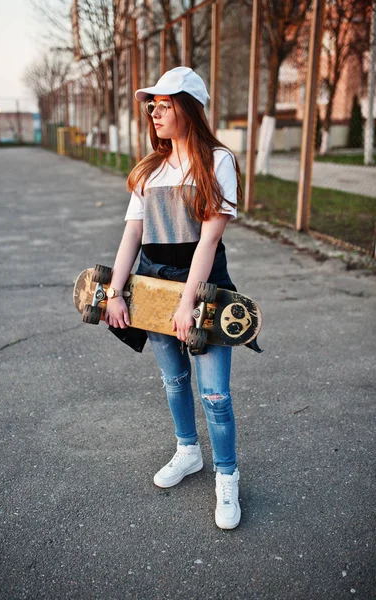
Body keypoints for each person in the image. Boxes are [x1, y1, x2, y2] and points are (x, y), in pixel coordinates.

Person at [105, 66, 243, 530]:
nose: (155, 114)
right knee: (174, 382)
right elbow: (132, 235)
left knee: (216, 393)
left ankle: (228, 475)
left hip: (202, 289)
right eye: (152, 106)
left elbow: (208, 241)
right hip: (152, 287)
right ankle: (188, 452)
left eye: (164, 105)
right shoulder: (149, 168)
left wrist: (188, 303)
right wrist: (116, 290)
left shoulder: (217, 161)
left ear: (188, 108)